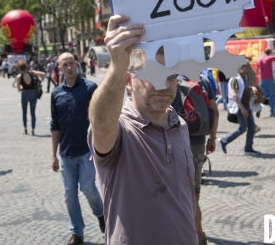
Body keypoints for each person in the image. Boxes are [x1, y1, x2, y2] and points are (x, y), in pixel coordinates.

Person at [87, 15, 196, 244]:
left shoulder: (180, 126)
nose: (163, 84)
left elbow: (184, 198)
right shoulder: (121, 130)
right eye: (152, 74)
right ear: (129, 79)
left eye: (171, 76)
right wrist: (117, 66)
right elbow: (101, 125)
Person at [50, 53, 104, 245]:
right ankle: (77, 233)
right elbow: (54, 125)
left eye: (72, 63)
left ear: (78, 65)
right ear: (60, 69)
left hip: (87, 150)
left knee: (88, 187)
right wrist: (53, 155)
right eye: (65, 64)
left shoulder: (90, 88)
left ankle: (101, 214)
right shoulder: (56, 93)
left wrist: (98, 147)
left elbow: (99, 119)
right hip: (65, 153)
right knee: (69, 194)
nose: (69, 67)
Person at [171, 72, 219, 245]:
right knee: (194, 195)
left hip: (177, 142)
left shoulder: (173, 79)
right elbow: (215, 111)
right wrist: (212, 138)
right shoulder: (204, 79)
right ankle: (199, 237)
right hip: (199, 143)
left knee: (176, 195)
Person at [217, 63, 260, 156]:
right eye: (249, 68)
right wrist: (242, 109)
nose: (250, 70)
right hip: (241, 108)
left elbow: (243, 89)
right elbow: (234, 95)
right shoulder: (235, 79)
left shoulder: (244, 78)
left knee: (251, 127)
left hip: (247, 106)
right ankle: (224, 140)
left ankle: (248, 148)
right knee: (242, 128)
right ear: (243, 68)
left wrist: (251, 89)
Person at [16, 60, 46, 135]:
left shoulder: (19, 77)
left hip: (25, 93)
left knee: (24, 112)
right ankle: (33, 130)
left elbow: (19, 89)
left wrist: (23, 88)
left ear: (19, 68)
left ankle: (25, 129)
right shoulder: (32, 73)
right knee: (33, 113)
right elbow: (43, 74)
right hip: (33, 93)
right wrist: (39, 81)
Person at [256, 48, 275, 117]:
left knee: (263, 96)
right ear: (269, 53)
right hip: (269, 79)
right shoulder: (269, 58)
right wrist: (273, 51)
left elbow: (257, 70)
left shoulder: (259, 59)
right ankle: (272, 112)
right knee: (272, 96)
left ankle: (259, 108)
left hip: (261, 80)